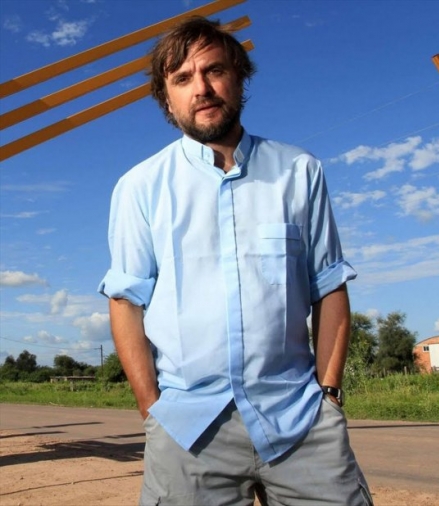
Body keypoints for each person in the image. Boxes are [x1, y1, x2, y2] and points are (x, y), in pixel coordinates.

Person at [99, 16, 373, 506]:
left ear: (240, 78)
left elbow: (329, 286)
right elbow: (126, 301)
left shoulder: (299, 171)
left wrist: (329, 395)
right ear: (166, 97)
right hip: (187, 429)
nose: (201, 88)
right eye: (182, 78)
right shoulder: (140, 187)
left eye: (215, 70)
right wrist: (152, 410)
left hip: (299, 419)